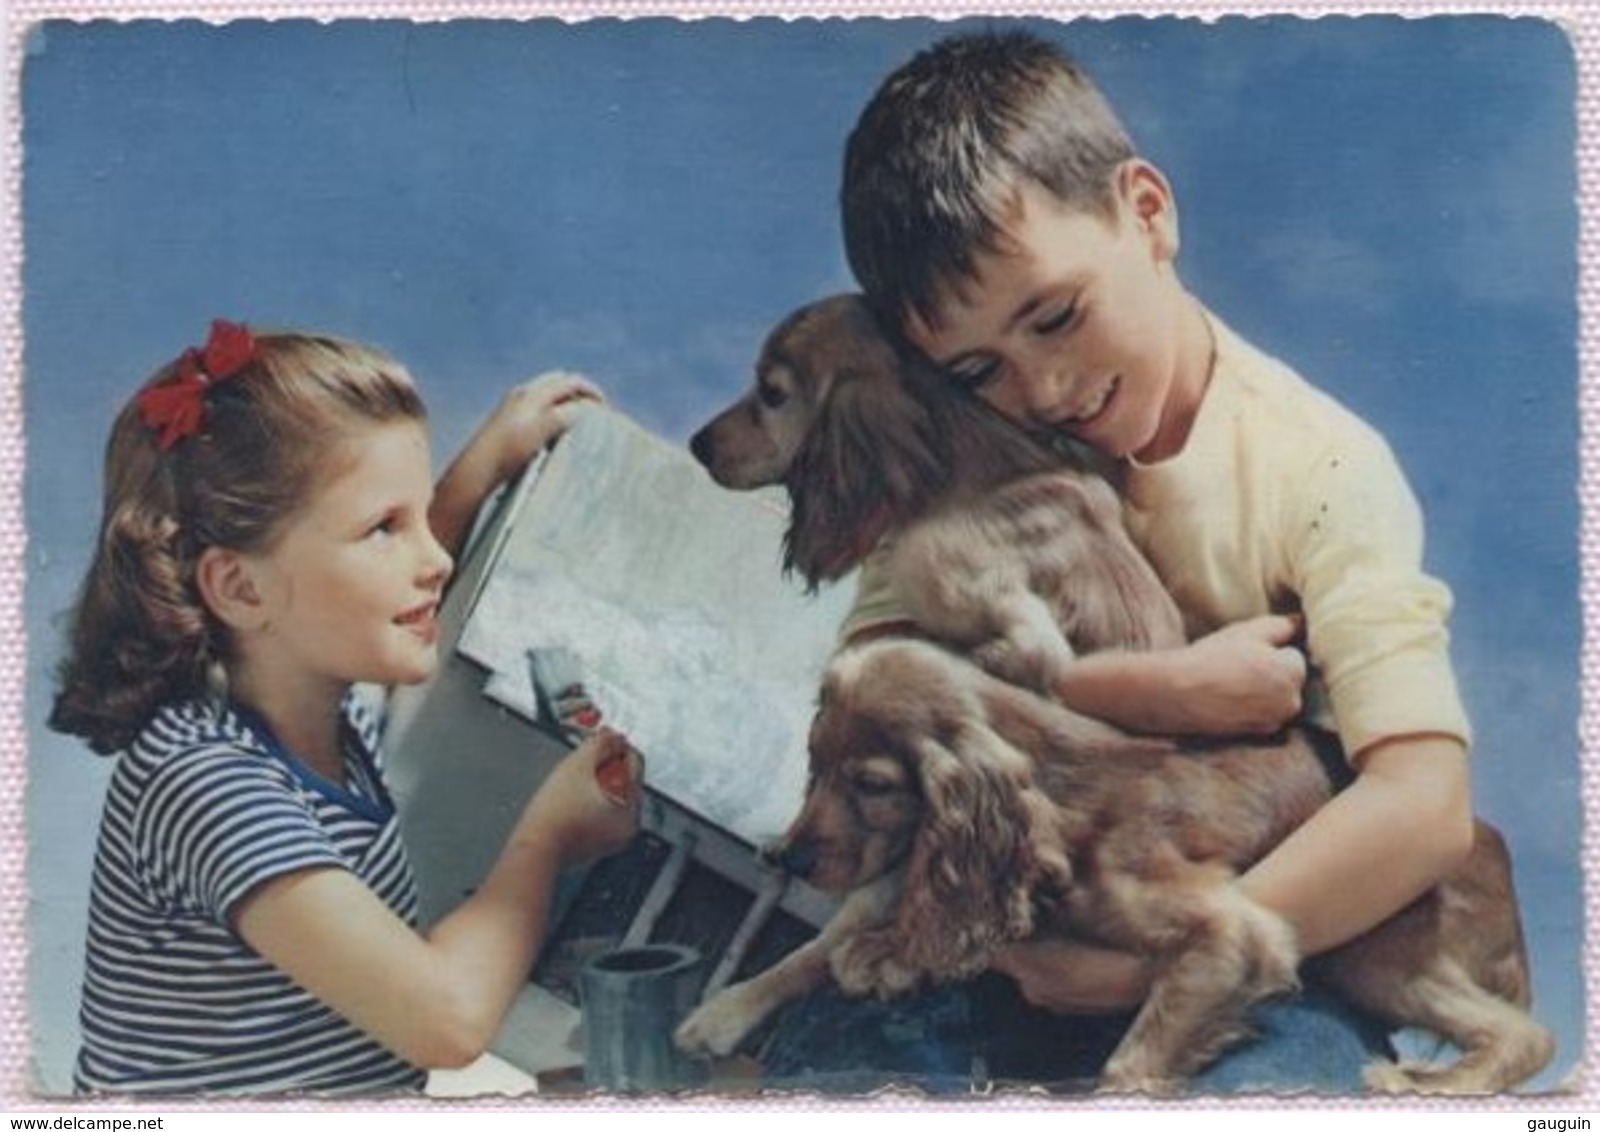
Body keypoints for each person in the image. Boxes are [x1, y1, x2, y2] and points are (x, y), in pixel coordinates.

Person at [834, 30, 1474, 1091]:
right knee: (838, 1079)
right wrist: (1150, 688)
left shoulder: (1317, 465)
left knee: (1277, 1094)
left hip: (1260, 929)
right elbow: (869, 688)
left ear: (1146, 212)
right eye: (979, 368)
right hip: (998, 925)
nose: (1039, 390)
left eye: (1057, 316)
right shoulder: (958, 460)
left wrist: (1151, 975)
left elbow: (1423, 799)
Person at [49, 320, 640, 1095]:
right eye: (385, 528)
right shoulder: (204, 781)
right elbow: (448, 1023)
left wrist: (486, 462)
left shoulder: (309, 697)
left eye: (421, 520)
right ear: (239, 588)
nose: (432, 560)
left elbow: (368, 596)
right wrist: (548, 835)